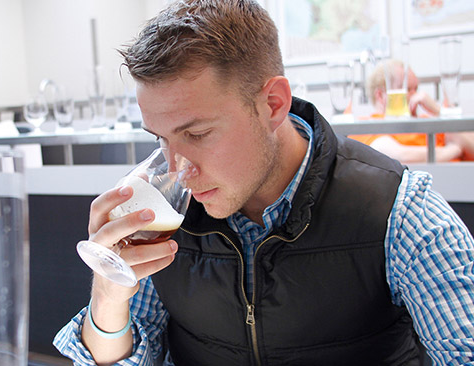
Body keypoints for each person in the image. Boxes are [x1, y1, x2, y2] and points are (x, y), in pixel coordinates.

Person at [54, 1, 474, 365]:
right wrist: (109, 295)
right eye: (161, 139)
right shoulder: (162, 218)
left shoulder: (402, 213)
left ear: (273, 104)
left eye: (197, 134)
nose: (178, 167)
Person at [350, 60, 474, 162]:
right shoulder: (368, 127)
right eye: (407, 89)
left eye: (416, 88)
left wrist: (438, 111)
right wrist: (455, 149)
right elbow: (400, 156)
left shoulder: (431, 123)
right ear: (381, 95)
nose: (416, 95)